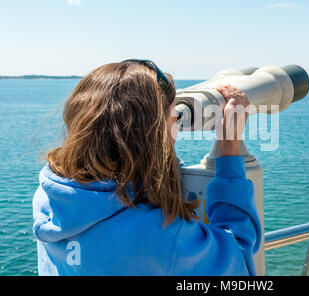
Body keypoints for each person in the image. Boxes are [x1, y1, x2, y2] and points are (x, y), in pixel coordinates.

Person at [32, 59, 261, 276]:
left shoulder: (48, 199)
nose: (177, 122)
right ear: (155, 136)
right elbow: (237, 258)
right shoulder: (159, 236)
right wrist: (229, 149)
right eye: (174, 115)